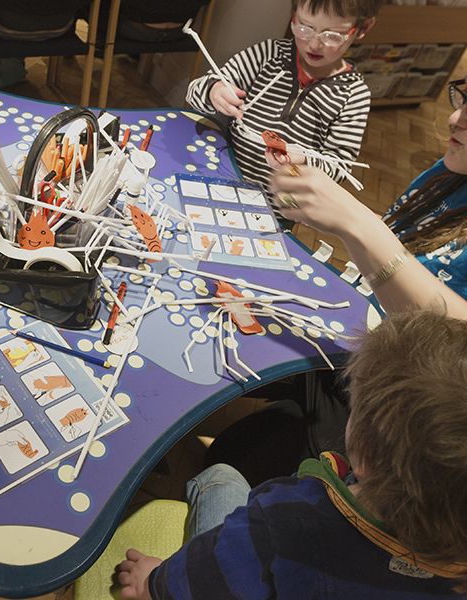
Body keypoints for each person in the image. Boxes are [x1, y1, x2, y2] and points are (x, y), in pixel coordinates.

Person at [200, 76, 467, 486]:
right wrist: (322, 208)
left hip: (390, 423)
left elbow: (454, 344)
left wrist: (356, 221)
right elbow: (393, 255)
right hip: (350, 350)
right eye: (462, 100)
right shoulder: (451, 171)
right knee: (216, 364)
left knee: (233, 464)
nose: (453, 118)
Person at [116, 310, 467, 599]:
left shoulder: (287, 517)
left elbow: (208, 577)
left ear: (365, 455)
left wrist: (155, 584)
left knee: (221, 477)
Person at [186, 0, 382, 190]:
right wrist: (213, 91)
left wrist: (303, 161)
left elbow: (340, 168)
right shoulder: (268, 55)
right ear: (293, 15)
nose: (314, 44)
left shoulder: (353, 95)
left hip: (279, 206)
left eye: (333, 36)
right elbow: (194, 93)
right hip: (220, 176)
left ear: (363, 27)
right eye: (304, 27)